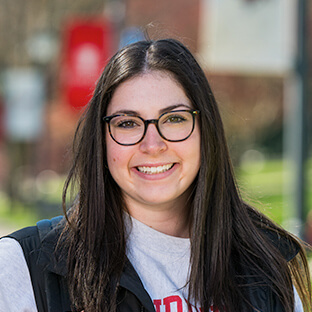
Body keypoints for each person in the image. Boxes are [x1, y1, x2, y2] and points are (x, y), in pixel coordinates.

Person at [0, 38, 311, 312]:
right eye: (127, 123)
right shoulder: (27, 267)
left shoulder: (265, 265)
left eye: (174, 118)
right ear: (102, 139)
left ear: (206, 132)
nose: (153, 144)